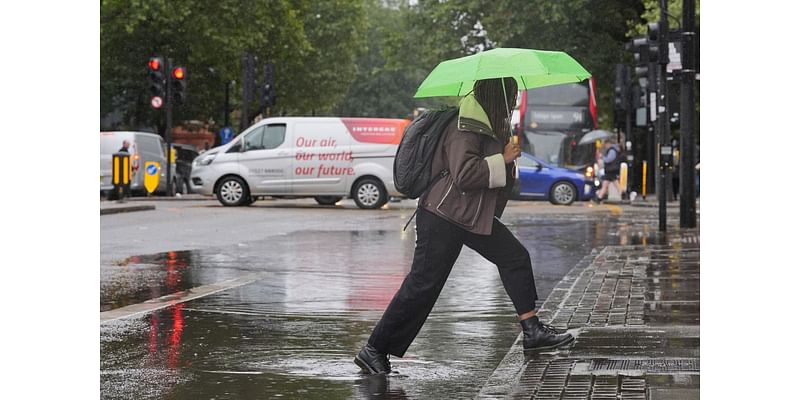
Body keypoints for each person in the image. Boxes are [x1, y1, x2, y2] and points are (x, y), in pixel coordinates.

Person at [354, 77, 574, 375]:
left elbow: (489, 179)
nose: (513, 103)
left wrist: (506, 160)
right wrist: (502, 158)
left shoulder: (486, 125)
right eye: (510, 96)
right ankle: (374, 350)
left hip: (468, 216)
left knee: (514, 257)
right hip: (442, 216)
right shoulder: (465, 126)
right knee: (423, 285)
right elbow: (464, 175)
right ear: (496, 97)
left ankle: (532, 330)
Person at [593, 139, 623, 203]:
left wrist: (602, 157)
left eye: (605, 145)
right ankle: (599, 198)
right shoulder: (613, 150)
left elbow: (609, 159)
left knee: (608, 184)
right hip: (611, 170)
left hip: (611, 170)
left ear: (608, 144)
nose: (605, 146)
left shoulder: (612, 150)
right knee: (610, 184)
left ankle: (599, 198)